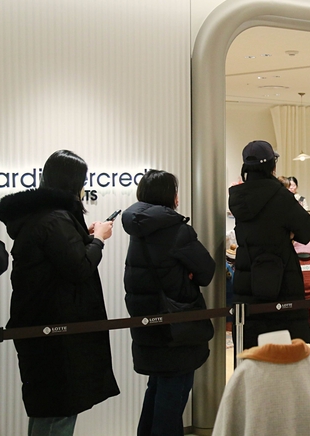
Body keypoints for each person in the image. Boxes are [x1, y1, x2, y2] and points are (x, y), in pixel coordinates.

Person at [0, 150, 119, 435]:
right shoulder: (55, 219)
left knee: (48, 409)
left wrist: (86, 237)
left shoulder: (41, 217)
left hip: (44, 327)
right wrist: (99, 240)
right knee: (59, 411)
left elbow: (62, 259)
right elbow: (79, 267)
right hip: (57, 333)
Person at [121, 170, 215, 436]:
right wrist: (188, 273)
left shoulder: (138, 229)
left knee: (156, 391)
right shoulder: (175, 230)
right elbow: (206, 271)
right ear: (170, 196)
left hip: (149, 325)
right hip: (177, 328)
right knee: (172, 400)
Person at [228, 140, 310, 347]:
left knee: (251, 347)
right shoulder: (281, 196)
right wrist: (288, 233)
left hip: (247, 275)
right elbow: (307, 230)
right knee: (284, 348)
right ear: (272, 165)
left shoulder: (237, 197)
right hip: (281, 278)